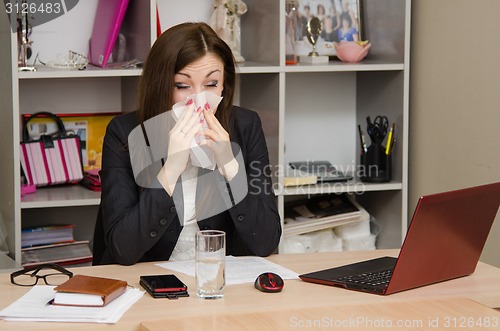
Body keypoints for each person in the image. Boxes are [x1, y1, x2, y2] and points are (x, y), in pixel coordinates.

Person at [92, 22, 281, 266]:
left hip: (218, 282)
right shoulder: (125, 132)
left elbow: (266, 241)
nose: (198, 100)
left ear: (224, 85)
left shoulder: (245, 126)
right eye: (183, 86)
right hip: (149, 283)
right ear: (161, 86)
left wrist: (229, 165)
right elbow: (122, 249)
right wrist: (172, 167)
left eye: (211, 84)